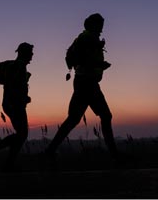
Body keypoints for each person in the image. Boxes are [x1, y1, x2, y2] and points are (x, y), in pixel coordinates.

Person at [45, 13, 118, 163]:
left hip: (83, 82)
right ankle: (114, 154)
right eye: (100, 24)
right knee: (105, 115)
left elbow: (80, 59)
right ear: (93, 25)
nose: (102, 27)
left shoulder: (85, 37)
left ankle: (49, 151)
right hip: (87, 82)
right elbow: (84, 60)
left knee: (73, 119)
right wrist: (99, 65)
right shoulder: (88, 38)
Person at [0, 42, 34, 171]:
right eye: (30, 52)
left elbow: (13, 85)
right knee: (22, 134)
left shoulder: (17, 66)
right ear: (24, 53)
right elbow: (11, 85)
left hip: (13, 103)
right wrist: (20, 98)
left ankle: (9, 163)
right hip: (14, 104)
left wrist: (24, 97)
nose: (32, 55)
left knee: (21, 134)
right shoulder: (18, 66)